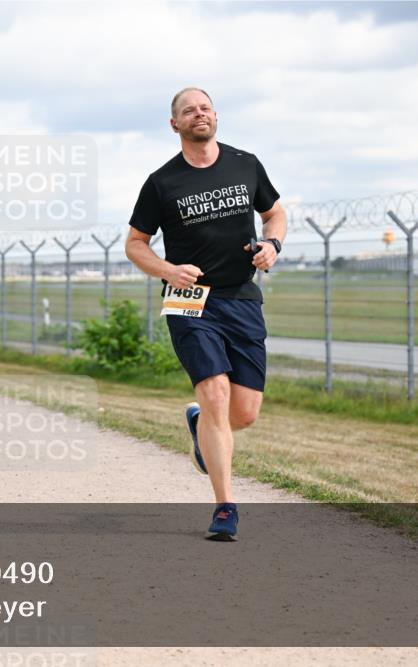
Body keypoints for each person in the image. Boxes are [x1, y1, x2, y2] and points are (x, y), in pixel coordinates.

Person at [124, 87, 287, 541]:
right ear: (174, 124)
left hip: (240, 297)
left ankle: (201, 425)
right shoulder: (162, 182)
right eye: (188, 111)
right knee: (214, 393)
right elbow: (135, 244)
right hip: (188, 299)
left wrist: (272, 244)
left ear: (215, 116)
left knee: (245, 412)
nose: (199, 114)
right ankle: (224, 507)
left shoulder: (245, 164)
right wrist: (168, 270)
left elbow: (275, 214)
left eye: (205, 107)